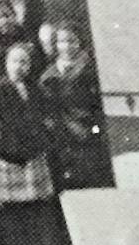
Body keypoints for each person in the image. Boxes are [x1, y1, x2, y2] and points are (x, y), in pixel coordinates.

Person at [0, 41, 76, 245]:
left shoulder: (35, 89)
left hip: (33, 152)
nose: (20, 67)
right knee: (12, 208)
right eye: (15, 61)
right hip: (9, 153)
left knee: (38, 205)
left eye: (24, 62)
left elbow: (47, 110)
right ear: (6, 64)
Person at [39, 24, 111, 191]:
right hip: (62, 130)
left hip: (88, 128)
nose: (66, 46)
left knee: (91, 173)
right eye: (61, 41)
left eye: (72, 41)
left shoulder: (90, 69)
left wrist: (92, 126)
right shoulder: (49, 75)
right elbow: (47, 107)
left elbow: (98, 102)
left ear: (80, 42)